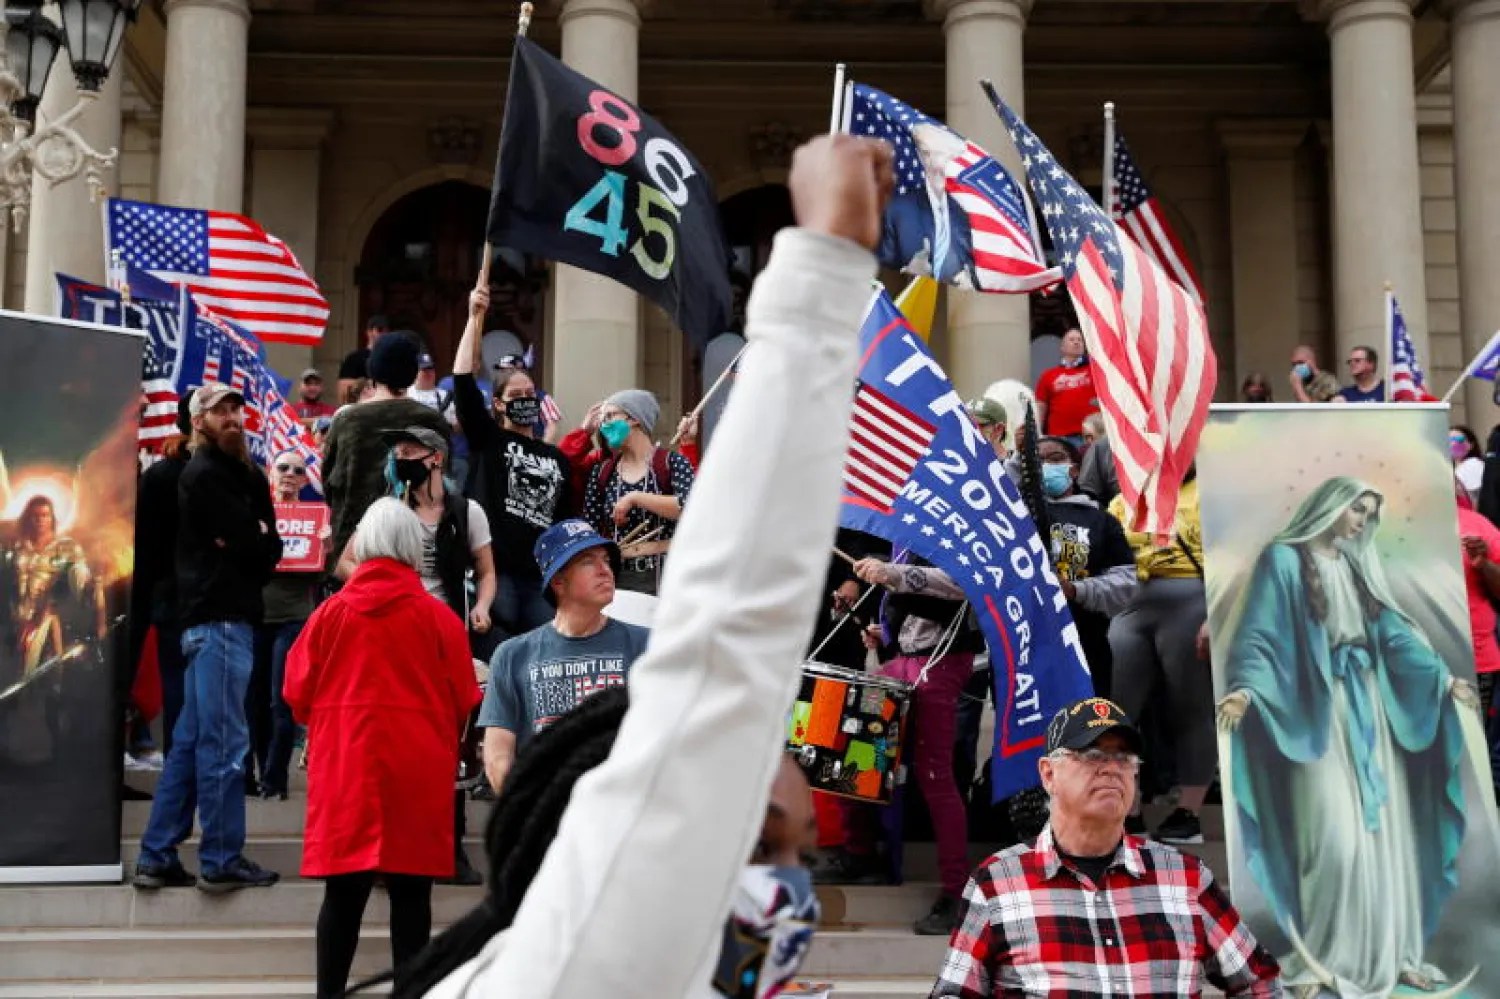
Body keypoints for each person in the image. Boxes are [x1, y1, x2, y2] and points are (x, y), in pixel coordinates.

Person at [366, 131, 893, 999]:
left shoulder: (692, 975)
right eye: (759, 841)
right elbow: (736, 621)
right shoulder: (565, 972)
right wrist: (822, 277)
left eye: (791, 852)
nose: (787, 888)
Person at [1217, 477, 1475, 997]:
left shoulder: (1356, 564)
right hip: (1318, 712)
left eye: (1369, 514)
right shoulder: (1283, 560)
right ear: (1330, 505)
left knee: (1385, 840)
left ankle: (1394, 952)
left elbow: (1392, 634)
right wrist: (1245, 690)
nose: (1363, 522)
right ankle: (1324, 957)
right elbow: (1260, 635)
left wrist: (1444, 680)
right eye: (1358, 510)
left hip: (1371, 712)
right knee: (1331, 839)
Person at [930, 697, 1282, 998]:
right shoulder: (997, 884)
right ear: (1048, 774)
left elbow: (1259, 982)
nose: (1112, 768)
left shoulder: (1186, 880)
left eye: (1125, 758)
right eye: (1092, 755)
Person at [285, 498, 480, 999]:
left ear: (365, 542)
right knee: (412, 896)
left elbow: (296, 691)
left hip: (346, 764)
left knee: (342, 896)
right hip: (418, 767)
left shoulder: (329, 615)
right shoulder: (439, 619)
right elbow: (465, 695)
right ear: (414, 546)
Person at [133, 383, 284, 893]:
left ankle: (157, 853)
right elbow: (253, 543)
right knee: (224, 744)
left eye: (236, 408)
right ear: (198, 420)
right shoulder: (202, 474)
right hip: (217, 621)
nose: (232, 417)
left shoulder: (246, 473)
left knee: (190, 743)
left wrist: (254, 538)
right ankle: (220, 857)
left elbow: (269, 547)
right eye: (220, 410)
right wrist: (253, 537)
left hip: (221, 620)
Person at [337, 426, 494, 885]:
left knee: (451, 743)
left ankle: (450, 847)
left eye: (409, 449)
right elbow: (345, 561)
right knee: (395, 746)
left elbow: (486, 571)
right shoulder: (386, 511)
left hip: (444, 635)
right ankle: (385, 851)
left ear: (436, 458)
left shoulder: (466, 512)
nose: (399, 456)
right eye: (397, 451)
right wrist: (374, 591)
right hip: (391, 635)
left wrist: (483, 606)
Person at [847, 553, 982, 936]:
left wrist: (891, 572)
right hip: (908, 658)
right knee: (857, 747)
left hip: (941, 662)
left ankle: (956, 891)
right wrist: (885, 632)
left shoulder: (954, 528)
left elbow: (963, 581)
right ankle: (861, 853)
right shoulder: (908, 536)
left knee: (935, 776)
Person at [478, 519, 648, 794]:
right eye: (588, 562)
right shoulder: (512, 656)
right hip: (548, 809)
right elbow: (498, 755)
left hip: (623, 807)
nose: (605, 570)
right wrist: (529, 808)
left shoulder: (646, 645)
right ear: (558, 581)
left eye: (606, 560)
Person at [452, 286, 573, 643]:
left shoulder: (556, 459)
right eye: (516, 396)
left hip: (540, 579)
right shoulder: (489, 439)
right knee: (498, 647)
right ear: (499, 404)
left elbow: (564, 520)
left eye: (530, 395)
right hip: (495, 574)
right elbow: (462, 381)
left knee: (545, 646)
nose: (525, 401)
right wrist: (473, 318)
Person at [1107, 464, 1210, 844]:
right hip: (1129, 605)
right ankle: (1128, 807)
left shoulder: (1209, 493)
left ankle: (1189, 812)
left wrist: (1216, 615)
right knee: (1118, 711)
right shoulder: (1124, 498)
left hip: (1191, 601)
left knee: (1192, 708)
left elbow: (1232, 558)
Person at [322, 331, 452, 569]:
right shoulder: (434, 421)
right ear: (412, 374)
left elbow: (329, 485)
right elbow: (442, 484)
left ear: (373, 373)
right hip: (416, 548)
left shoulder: (347, 420)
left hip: (353, 558)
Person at [245, 449, 326, 800]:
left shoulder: (317, 519)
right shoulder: (254, 514)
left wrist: (326, 547)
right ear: (271, 473)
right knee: (254, 701)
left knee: (281, 702)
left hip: (293, 619)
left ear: (305, 479)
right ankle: (254, 773)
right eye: (283, 468)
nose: (290, 474)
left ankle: (274, 778)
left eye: (297, 470)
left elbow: (322, 575)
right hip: (255, 617)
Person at [1038, 437, 1139, 697]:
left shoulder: (1101, 520)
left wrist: (1075, 590)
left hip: (1087, 643)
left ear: (1074, 469)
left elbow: (1127, 582)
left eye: (1055, 458)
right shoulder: (1015, 516)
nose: (1046, 465)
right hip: (1031, 650)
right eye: (1037, 461)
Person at [577, 389, 695, 595]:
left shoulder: (672, 463)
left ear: (634, 419)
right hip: (619, 576)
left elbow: (690, 508)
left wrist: (635, 498)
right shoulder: (603, 471)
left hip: (667, 574)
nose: (604, 425)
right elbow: (590, 528)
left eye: (610, 416)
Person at [128, 395, 194, 759]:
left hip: (210, 600)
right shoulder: (162, 476)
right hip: (169, 597)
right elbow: (146, 543)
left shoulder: (236, 473)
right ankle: (176, 766)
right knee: (176, 685)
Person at [1457, 504, 1500, 805]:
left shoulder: (1477, 526)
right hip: (1410, 660)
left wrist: (1483, 564)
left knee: (1473, 747)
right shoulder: (1388, 521)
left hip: (1475, 660)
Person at [1033, 329, 1097, 444]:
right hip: (1059, 438)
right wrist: (1037, 434)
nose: (1076, 342)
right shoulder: (1048, 375)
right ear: (1062, 347)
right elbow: (1041, 407)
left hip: (1091, 435)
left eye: (1080, 340)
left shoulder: (1095, 371)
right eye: (1072, 339)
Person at [338, 313, 389, 401]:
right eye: (380, 330)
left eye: (386, 331)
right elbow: (343, 391)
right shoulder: (354, 359)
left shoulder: (391, 359)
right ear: (369, 332)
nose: (383, 335)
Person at [1075, 412, 1119, 505]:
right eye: (1085, 438)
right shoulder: (1084, 453)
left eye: (1089, 437)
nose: (1087, 442)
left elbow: (1087, 489)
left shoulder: (1098, 448)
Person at [1451, 425, 1484, 503]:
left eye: (1459, 440)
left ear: (1471, 445)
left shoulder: (1472, 464)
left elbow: (1477, 499)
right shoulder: (1457, 467)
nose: (1452, 443)